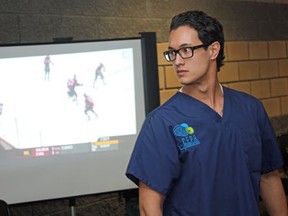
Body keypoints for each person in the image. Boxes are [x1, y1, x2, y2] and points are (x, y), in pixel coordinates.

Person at [126, 10, 288, 216]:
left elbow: (268, 177)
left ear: (213, 50)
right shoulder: (161, 122)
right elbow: (149, 208)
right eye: (173, 52)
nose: (177, 61)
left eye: (186, 50)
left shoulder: (250, 108)